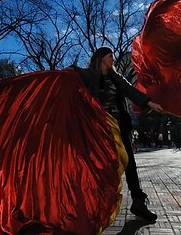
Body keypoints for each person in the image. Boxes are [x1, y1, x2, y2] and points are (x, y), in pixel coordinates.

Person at [70, 46, 163, 221]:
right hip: (99, 128)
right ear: (101, 58)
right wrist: (66, 72)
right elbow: (74, 73)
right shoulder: (88, 75)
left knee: (130, 164)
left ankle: (138, 203)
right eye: (110, 56)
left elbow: (131, 91)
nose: (113, 58)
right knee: (101, 167)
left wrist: (150, 103)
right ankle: (92, 206)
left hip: (119, 126)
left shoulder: (116, 77)